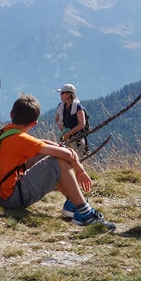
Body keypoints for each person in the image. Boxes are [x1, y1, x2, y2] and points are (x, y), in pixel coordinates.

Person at [0, 94, 115, 229]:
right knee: (58, 162)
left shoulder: (4, 133)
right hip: (12, 199)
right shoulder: (22, 140)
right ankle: (84, 213)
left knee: (46, 156)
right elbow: (65, 155)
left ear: (11, 114)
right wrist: (80, 170)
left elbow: (42, 143)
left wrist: (61, 148)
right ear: (34, 123)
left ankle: (72, 203)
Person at [55, 83, 91, 219]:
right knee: (69, 164)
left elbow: (82, 124)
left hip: (77, 140)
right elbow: (57, 119)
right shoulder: (62, 107)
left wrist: (68, 133)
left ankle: (74, 196)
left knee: (75, 164)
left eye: (63, 93)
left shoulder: (78, 107)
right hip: (68, 138)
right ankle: (74, 195)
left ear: (69, 94)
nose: (61, 95)